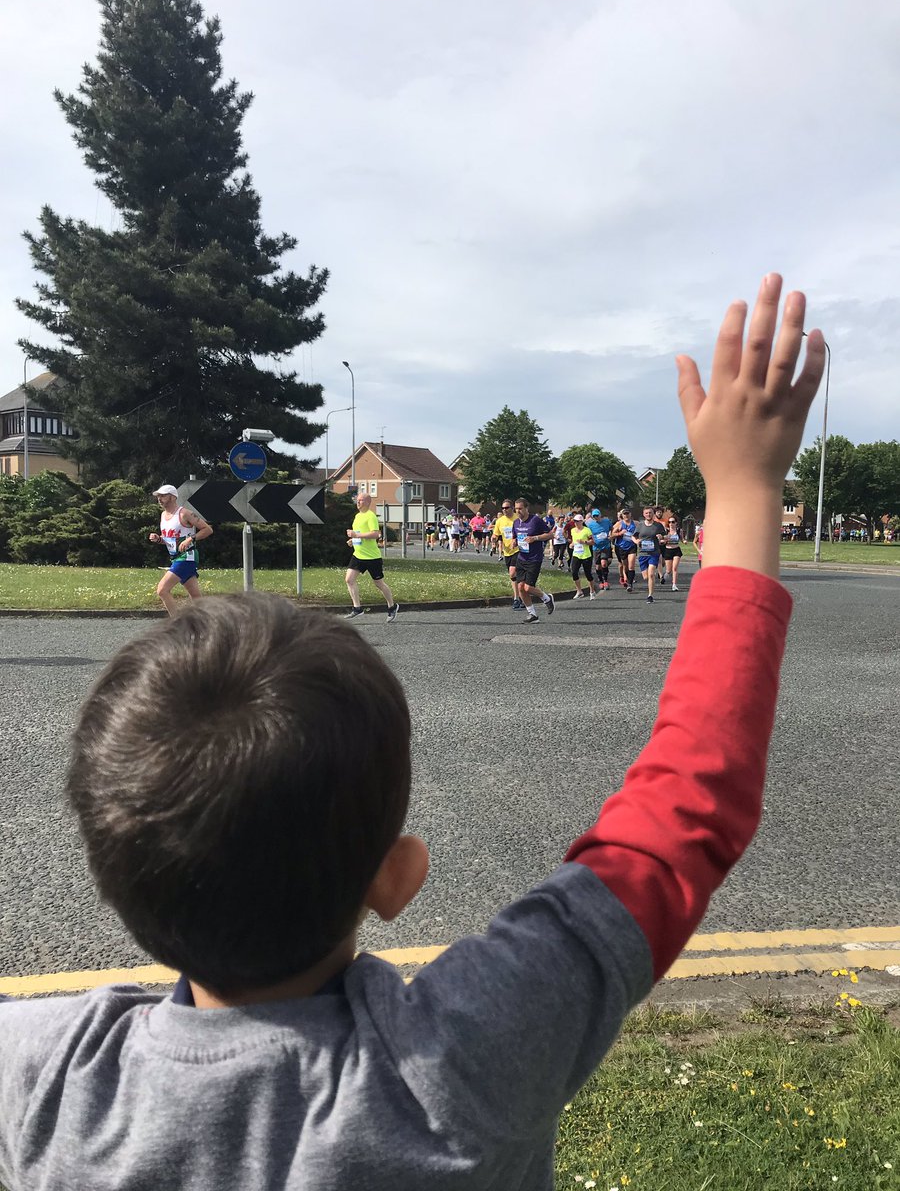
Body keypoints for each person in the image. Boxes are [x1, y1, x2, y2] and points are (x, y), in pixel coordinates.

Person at [0, 274, 825, 1191]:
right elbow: (683, 809)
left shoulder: (45, 1080)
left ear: (116, 887)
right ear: (399, 877)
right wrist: (747, 489)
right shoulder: (465, 1063)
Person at [148, 483, 213, 617]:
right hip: (176, 558)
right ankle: (211, 623)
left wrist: (190, 539)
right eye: (158, 496)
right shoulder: (163, 516)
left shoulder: (185, 513)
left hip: (186, 557)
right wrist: (158, 539)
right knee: (196, 598)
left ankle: (176, 623)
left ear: (172, 497)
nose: (159, 499)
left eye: (163, 496)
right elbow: (170, 540)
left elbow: (208, 530)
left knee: (162, 590)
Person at [345, 491, 399, 622]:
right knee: (349, 580)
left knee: (378, 583)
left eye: (361, 500)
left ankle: (392, 607)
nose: (358, 502)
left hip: (372, 557)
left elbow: (376, 534)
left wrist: (356, 536)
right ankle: (357, 608)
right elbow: (360, 533)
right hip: (358, 555)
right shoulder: (357, 516)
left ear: (368, 502)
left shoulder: (371, 516)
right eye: (357, 500)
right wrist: (353, 540)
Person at [512, 497, 555, 623]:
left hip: (534, 558)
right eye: (516, 509)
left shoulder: (535, 520)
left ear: (526, 508)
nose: (518, 511)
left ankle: (547, 598)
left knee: (528, 588)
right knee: (520, 587)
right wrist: (514, 541)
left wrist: (535, 538)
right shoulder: (516, 523)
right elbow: (515, 537)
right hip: (521, 557)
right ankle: (532, 615)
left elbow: (550, 534)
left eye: (520, 508)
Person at [492, 499, 523, 609]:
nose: (504, 510)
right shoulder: (500, 521)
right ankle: (521, 597)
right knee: (515, 576)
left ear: (512, 508)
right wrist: (494, 539)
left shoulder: (518, 518)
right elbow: (496, 534)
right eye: (503, 508)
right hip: (507, 551)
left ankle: (516, 598)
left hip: (519, 550)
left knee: (512, 573)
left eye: (507, 507)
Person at [633, 506, 667, 603]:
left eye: (650, 513)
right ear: (644, 514)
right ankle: (651, 578)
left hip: (654, 553)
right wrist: (636, 541)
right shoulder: (640, 525)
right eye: (647, 513)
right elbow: (633, 537)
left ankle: (650, 595)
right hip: (643, 553)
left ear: (653, 514)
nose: (648, 514)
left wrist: (661, 538)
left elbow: (665, 538)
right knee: (646, 577)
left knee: (651, 574)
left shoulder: (658, 525)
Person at [569, 514, 595, 599]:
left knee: (588, 574)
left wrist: (584, 542)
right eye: (575, 521)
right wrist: (571, 545)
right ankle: (579, 591)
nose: (576, 523)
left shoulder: (587, 530)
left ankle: (592, 591)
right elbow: (573, 541)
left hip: (586, 555)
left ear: (581, 521)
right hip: (576, 554)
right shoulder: (573, 530)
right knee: (574, 572)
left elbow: (592, 542)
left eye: (577, 521)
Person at [611, 507, 638, 590]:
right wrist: (619, 533)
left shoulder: (636, 523)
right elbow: (611, 535)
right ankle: (626, 578)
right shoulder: (619, 524)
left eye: (627, 513)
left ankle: (630, 583)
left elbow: (642, 532)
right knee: (625, 566)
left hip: (632, 546)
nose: (626, 515)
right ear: (622, 515)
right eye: (624, 514)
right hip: (621, 547)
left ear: (630, 514)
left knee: (631, 565)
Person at [587, 508, 613, 590]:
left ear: (600, 515)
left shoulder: (606, 521)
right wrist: (590, 540)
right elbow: (588, 534)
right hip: (596, 547)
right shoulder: (590, 524)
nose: (596, 517)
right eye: (594, 516)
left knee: (604, 564)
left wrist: (610, 536)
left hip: (605, 546)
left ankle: (605, 581)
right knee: (598, 567)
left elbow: (612, 529)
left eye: (597, 516)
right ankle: (601, 581)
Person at [662, 515, 684, 590]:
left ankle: (674, 585)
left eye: (673, 522)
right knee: (668, 570)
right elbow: (662, 540)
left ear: (676, 523)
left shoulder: (679, 530)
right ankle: (664, 577)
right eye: (669, 522)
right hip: (668, 550)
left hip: (676, 550)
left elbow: (681, 539)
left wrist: (684, 541)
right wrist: (663, 540)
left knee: (674, 568)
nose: (671, 523)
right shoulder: (666, 530)